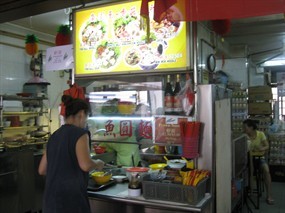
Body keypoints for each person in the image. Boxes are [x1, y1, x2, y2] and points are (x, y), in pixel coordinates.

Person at [38, 95, 105, 213]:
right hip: (71, 201)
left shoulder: (54, 136)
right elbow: (85, 165)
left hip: (50, 202)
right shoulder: (80, 133)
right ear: (81, 114)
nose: (85, 122)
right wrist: (98, 163)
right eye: (86, 118)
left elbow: (42, 170)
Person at [243, 119, 274, 205]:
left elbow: (267, 146)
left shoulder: (260, 134)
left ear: (251, 127)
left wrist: (261, 148)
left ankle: (269, 195)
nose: (244, 129)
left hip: (260, 157)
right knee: (247, 171)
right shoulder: (244, 136)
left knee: (266, 171)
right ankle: (249, 190)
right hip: (249, 158)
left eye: (245, 127)